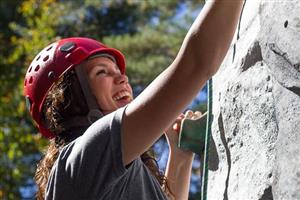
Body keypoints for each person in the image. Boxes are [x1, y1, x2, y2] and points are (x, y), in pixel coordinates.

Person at [24, 1, 243, 199]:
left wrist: (180, 156)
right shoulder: (81, 159)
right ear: (70, 96)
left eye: (117, 70)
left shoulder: (101, 173)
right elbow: (194, 65)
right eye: (102, 72)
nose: (122, 77)